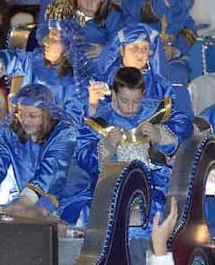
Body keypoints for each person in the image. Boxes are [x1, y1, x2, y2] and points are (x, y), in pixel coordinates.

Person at [79, 66, 193, 265]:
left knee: (157, 220)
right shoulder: (99, 120)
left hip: (154, 185)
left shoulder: (156, 110)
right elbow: (82, 155)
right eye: (124, 101)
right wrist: (106, 147)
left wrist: (160, 135)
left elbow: (185, 124)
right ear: (113, 94)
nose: (131, 107)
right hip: (113, 190)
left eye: (136, 101)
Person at [0, 0, 87, 123]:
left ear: (69, 43)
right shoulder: (36, 60)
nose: (46, 41)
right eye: (48, 34)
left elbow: (71, 124)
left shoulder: (76, 84)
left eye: (54, 38)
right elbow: (15, 59)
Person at [0, 83, 77, 219]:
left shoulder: (64, 133)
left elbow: (51, 169)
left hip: (68, 205)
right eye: (21, 114)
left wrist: (24, 202)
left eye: (33, 116)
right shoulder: (11, 130)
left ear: (46, 114)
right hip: (28, 203)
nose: (25, 121)